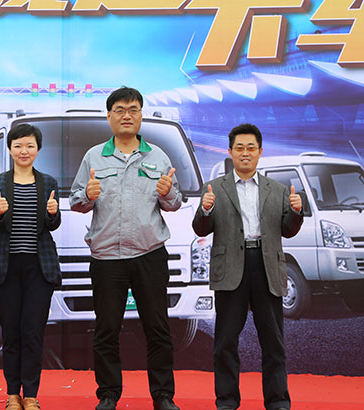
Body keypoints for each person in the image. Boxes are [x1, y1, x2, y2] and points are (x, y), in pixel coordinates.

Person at [70, 87, 181, 410]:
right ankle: (108, 394)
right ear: (109, 117)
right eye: (119, 110)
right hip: (107, 257)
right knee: (106, 329)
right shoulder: (94, 157)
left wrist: (168, 193)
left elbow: (174, 203)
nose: (127, 116)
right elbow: (76, 201)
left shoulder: (158, 156)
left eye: (133, 109)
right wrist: (88, 195)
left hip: (149, 254)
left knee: (157, 328)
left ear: (141, 115)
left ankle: (163, 396)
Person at [192, 123, 303, 410]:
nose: (245, 153)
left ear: (260, 152)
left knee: (273, 341)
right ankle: (227, 400)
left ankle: (278, 401)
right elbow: (200, 228)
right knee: (225, 341)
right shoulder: (214, 188)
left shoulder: (277, 190)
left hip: (266, 266)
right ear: (230, 152)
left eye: (250, 148)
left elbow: (288, 230)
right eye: (239, 148)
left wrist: (296, 211)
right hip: (231, 267)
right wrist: (206, 208)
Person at [0, 123, 61, 410]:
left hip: (39, 267)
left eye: (29, 145)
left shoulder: (48, 183)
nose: (24, 151)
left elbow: (53, 224)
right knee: (11, 332)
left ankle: (30, 395)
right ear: (10, 149)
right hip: (7, 267)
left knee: (33, 332)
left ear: (38, 149)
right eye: (18, 145)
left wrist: (53, 214)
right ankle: (12, 395)